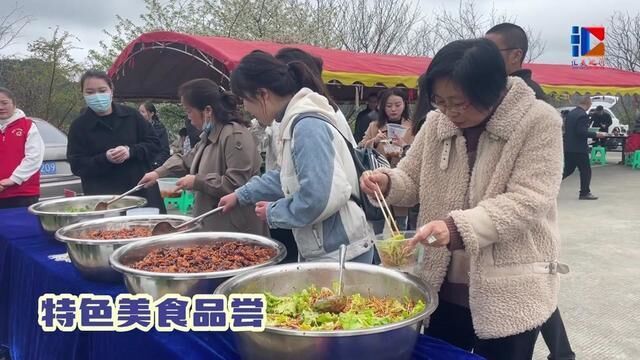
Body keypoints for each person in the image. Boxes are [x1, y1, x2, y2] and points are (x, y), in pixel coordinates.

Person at [361, 38, 566, 360]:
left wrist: (456, 227)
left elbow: (530, 199)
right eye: (440, 101)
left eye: (459, 102)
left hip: (508, 288)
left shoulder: (538, 121)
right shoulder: (436, 123)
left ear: (492, 89)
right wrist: (386, 182)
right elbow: (412, 178)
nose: (450, 112)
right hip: (444, 281)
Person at [218, 50, 374, 263]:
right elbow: (286, 176)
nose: (246, 108)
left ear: (263, 94)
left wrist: (273, 213)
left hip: (343, 253)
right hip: (331, 250)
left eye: (245, 99)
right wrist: (241, 195)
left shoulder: (307, 125)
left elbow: (319, 197)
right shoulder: (294, 121)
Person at [487, 22, 576, 360]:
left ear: (515, 55)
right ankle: (564, 353)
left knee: (532, 291)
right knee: (537, 293)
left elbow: (537, 181)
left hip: (523, 216)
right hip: (502, 215)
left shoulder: (530, 99)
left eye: (491, 52)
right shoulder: (495, 92)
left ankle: (564, 353)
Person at [139, 79, 268, 236]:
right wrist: (158, 173)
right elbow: (187, 159)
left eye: (189, 111)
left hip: (235, 228)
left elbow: (237, 183)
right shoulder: (209, 135)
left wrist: (197, 181)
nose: (189, 118)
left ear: (207, 110)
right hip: (214, 224)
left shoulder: (234, 135)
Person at [67, 70, 165, 211]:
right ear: (83, 93)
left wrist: (130, 151)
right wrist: (104, 158)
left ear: (111, 90)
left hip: (139, 193)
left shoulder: (132, 116)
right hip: (103, 199)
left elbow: (155, 145)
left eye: (102, 90)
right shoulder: (79, 126)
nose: (97, 96)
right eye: (90, 92)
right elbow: (77, 165)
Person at [360, 87, 414, 233]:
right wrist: (374, 141)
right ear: (382, 107)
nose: (393, 109)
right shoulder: (374, 126)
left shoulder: (413, 127)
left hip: (402, 179)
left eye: (398, 105)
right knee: (378, 225)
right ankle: (379, 254)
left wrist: (404, 145)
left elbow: (418, 154)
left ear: (405, 105)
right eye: (389, 106)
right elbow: (360, 148)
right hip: (378, 181)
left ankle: (400, 253)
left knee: (400, 225)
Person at [0, 87, 45, 209]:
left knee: (25, 227)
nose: (1, 107)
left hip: (24, 194)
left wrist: (14, 179)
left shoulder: (28, 126)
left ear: (14, 104)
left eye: (4, 103)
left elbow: (34, 157)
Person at [563, 96, 606, 200]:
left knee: (568, 170)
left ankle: (549, 183)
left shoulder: (571, 113)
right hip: (579, 148)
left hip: (568, 147)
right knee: (586, 170)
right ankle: (584, 192)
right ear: (587, 104)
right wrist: (596, 134)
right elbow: (581, 132)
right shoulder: (582, 115)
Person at [139, 101, 170, 168]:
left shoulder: (160, 129)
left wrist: (156, 163)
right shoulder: (135, 127)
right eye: (139, 112)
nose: (140, 114)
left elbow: (165, 150)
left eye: (142, 112)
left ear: (151, 113)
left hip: (154, 165)